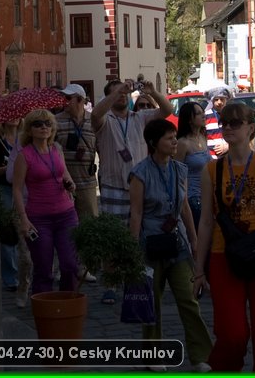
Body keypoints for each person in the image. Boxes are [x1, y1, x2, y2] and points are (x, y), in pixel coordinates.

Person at [194, 101, 255, 372]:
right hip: (223, 253)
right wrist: (198, 270)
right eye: (224, 122)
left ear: (250, 128)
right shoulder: (212, 170)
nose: (228, 128)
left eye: (235, 123)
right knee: (231, 331)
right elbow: (205, 222)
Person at [129, 118, 213, 372]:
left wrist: (194, 238)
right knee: (152, 301)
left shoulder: (179, 169)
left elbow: (185, 205)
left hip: (176, 243)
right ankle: (154, 356)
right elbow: (136, 213)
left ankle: (200, 355)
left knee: (188, 299)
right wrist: (133, 251)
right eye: (169, 138)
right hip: (150, 243)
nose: (174, 141)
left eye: (175, 136)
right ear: (154, 143)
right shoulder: (140, 173)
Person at [91, 79, 172, 304]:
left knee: (138, 235)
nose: (122, 96)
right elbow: (95, 113)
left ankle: (133, 278)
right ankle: (110, 283)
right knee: (113, 237)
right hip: (113, 186)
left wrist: (152, 91)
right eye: (116, 93)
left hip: (139, 186)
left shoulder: (140, 117)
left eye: (125, 93)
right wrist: (116, 91)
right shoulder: (104, 121)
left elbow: (168, 110)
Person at [12, 108, 80, 294]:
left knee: (70, 264)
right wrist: (24, 219)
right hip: (39, 218)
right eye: (38, 124)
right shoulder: (24, 155)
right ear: (29, 129)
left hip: (66, 214)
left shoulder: (56, 150)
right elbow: (17, 189)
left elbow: (64, 173)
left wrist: (70, 183)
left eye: (48, 123)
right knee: (43, 269)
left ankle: (67, 304)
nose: (44, 127)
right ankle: (44, 309)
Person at [0, 112, 27, 297]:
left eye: (17, 114)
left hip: (24, 190)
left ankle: (25, 272)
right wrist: (7, 167)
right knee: (8, 233)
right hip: (4, 190)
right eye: (9, 114)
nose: (14, 117)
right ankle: (11, 277)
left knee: (26, 233)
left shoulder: (25, 140)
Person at [54, 84, 100, 221]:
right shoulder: (55, 121)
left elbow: (100, 148)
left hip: (87, 183)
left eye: (68, 98)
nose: (64, 101)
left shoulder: (93, 121)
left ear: (80, 100)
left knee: (89, 223)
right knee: (65, 225)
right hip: (63, 184)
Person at [175, 101, 212, 228]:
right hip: (192, 198)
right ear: (189, 119)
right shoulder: (183, 143)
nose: (203, 116)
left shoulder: (202, 137)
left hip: (206, 195)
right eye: (198, 113)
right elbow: (177, 174)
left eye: (203, 112)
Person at [203, 87, 232, 157]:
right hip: (211, 156)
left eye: (222, 99)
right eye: (216, 99)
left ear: (226, 100)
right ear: (212, 101)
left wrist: (227, 146)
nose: (219, 102)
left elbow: (237, 136)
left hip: (228, 156)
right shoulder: (205, 115)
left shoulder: (231, 115)